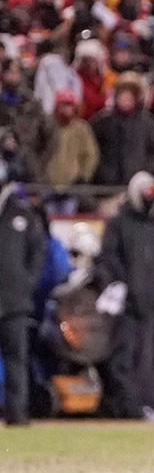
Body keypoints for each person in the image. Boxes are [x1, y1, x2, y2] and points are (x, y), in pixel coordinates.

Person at [93, 172, 154, 418]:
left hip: (153, 305)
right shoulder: (118, 224)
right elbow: (108, 259)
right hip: (128, 307)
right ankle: (129, 407)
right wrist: (115, 285)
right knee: (125, 356)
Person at [0, 159, 47, 426]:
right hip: (14, 298)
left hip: (15, 301)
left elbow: (38, 251)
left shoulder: (22, 214)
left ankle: (17, 415)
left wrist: (26, 281)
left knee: (17, 359)